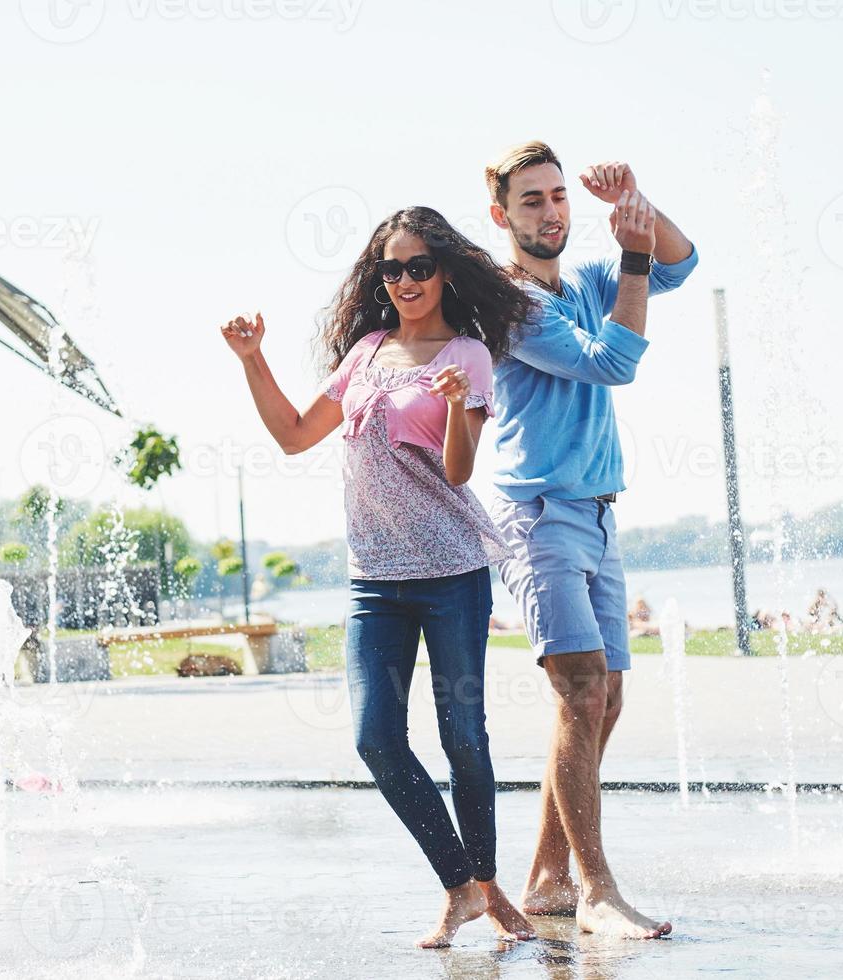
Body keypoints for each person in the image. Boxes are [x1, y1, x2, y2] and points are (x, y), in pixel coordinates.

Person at [219, 206, 535, 948]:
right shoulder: (365, 351)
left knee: (465, 739)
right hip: (373, 583)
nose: (404, 281)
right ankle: (462, 888)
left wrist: (458, 407)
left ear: (445, 271)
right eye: (390, 269)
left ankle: (488, 890)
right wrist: (251, 360)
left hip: (452, 572)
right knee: (375, 741)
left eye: (418, 266)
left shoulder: (468, 355)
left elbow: (459, 470)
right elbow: (296, 435)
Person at [483, 141, 697, 939]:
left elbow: (678, 263)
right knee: (577, 689)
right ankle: (596, 890)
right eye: (531, 200)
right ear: (502, 216)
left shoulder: (582, 283)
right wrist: (633, 256)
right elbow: (613, 363)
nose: (551, 212)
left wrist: (638, 208)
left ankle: (544, 876)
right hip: (538, 516)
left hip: (598, 514)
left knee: (603, 697)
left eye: (558, 197)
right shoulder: (509, 305)